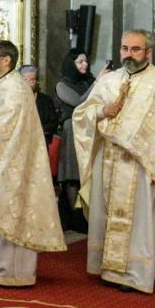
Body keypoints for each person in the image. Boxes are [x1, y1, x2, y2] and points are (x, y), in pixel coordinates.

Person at [73, 30, 155, 293]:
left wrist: (132, 138)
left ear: (149, 52)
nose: (128, 54)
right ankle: (108, 268)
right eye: (124, 48)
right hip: (108, 161)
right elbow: (81, 114)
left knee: (142, 222)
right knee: (106, 217)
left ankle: (135, 273)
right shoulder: (108, 81)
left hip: (144, 165)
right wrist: (102, 111)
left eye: (135, 49)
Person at [0, 41, 65, 287]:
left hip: (9, 163)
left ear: (6, 60)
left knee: (6, 210)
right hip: (0, 161)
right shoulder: (1, 85)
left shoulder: (14, 89)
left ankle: (9, 271)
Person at [55, 50, 96, 225]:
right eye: (79, 62)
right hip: (72, 129)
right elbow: (79, 103)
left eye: (85, 61)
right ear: (71, 64)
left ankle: (89, 214)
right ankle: (75, 217)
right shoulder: (62, 85)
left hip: (89, 127)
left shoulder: (88, 81)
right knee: (73, 173)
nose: (84, 65)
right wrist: (98, 83)